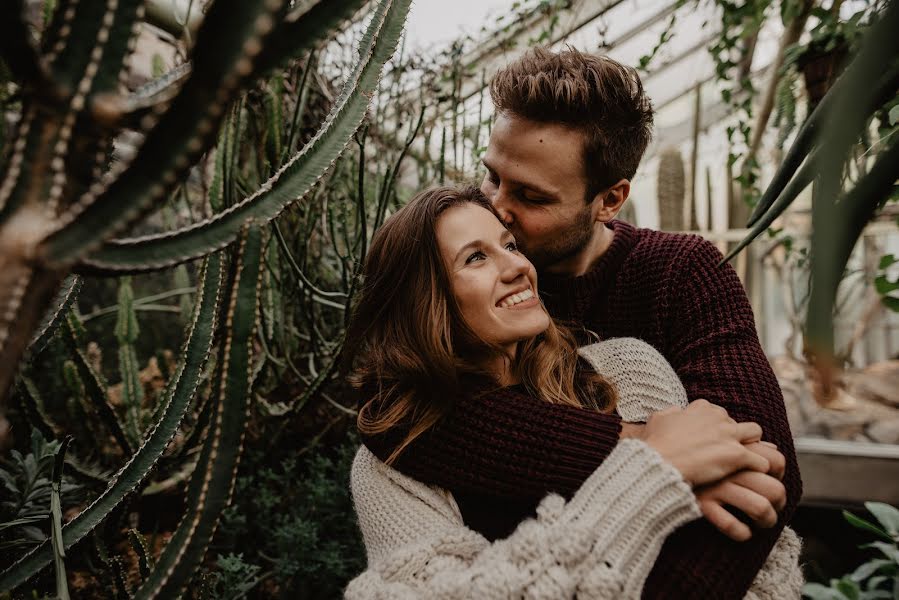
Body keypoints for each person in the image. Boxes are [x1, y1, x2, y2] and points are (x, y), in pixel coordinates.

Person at [356, 48, 801, 600]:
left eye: (530, 196)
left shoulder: (679, 278)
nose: (495, 207)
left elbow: (759, 473)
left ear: (609, 199)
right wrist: (647, 451)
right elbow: (394, 412)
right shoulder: (457, 271)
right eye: (492, 176)